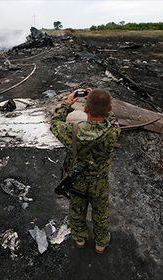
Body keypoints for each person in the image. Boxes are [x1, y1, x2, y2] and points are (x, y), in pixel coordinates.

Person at [50, 88, 121, 254]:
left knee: (76, 210)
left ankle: (80, 239)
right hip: (99, 181)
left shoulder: (70, 130)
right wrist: (102, 104)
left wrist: (67, 103)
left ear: (86, 109)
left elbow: (55, 123)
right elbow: (113, 119)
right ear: (109, 109)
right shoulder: (113, 131)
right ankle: (101, 243)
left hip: (77, 181)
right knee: (101, 212)